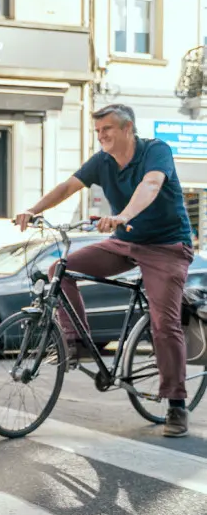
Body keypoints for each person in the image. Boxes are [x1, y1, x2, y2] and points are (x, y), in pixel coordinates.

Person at [15, 103, 194, 437]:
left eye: (107, 130)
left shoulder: (156, 151)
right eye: (98, 131)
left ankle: (176, 405)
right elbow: (69, 186)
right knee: (60, 269)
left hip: (167, 246)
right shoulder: (103, 162)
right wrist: (33, 209)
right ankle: (76, 341)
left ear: (127, 128)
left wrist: (123, 215)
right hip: (125, 242)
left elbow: (151, 185)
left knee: (164, 325)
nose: (101, 137)